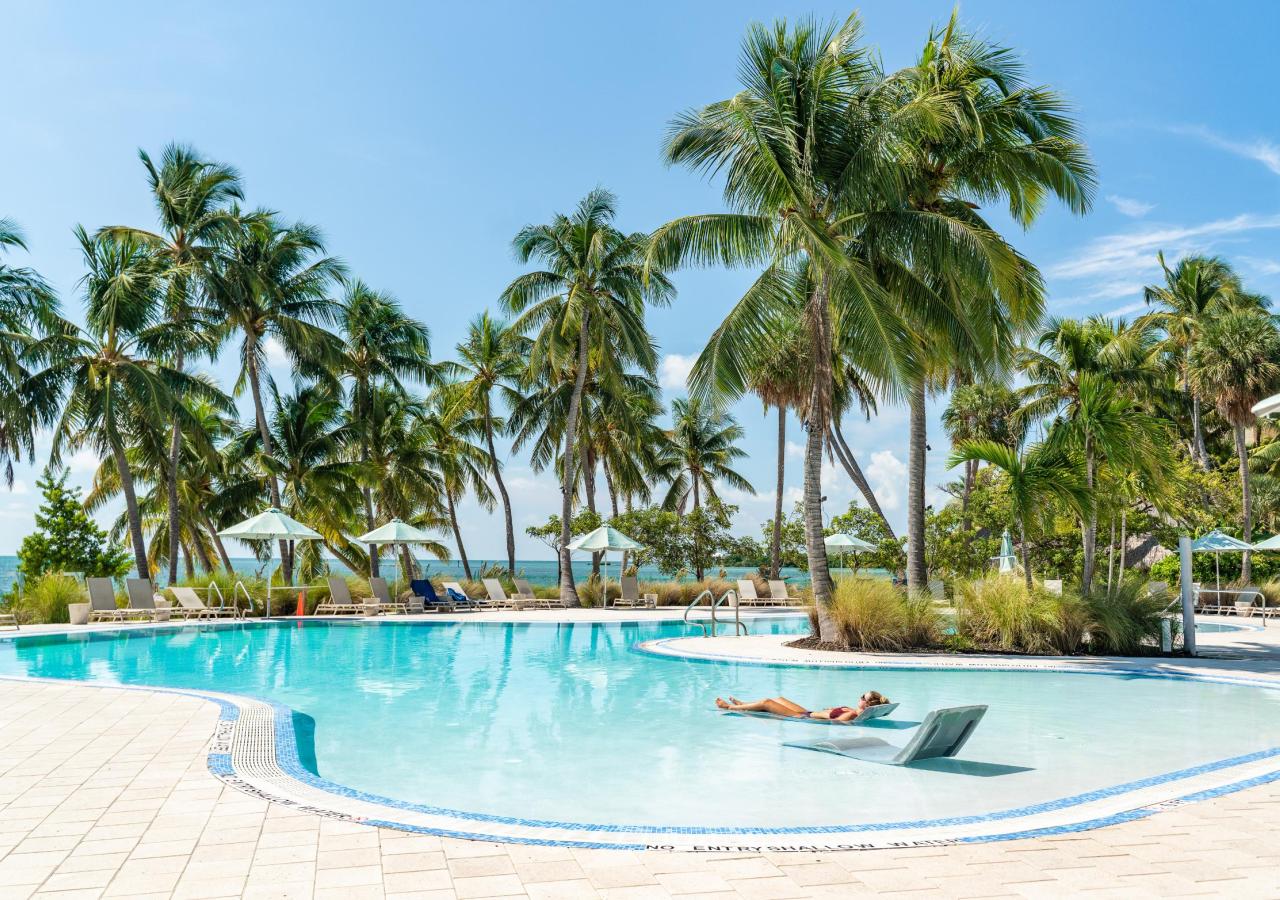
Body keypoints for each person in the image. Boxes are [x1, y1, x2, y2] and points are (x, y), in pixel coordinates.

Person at [715, 691, 890, 722]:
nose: (860, 697)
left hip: (801, 717)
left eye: (863, 697)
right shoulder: (852, 710)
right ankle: (744, 704)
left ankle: (729, 708)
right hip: (807, 712)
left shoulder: (852, 715)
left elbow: (837, 722)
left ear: (867, 704)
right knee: (779, 699)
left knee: (767, 703)